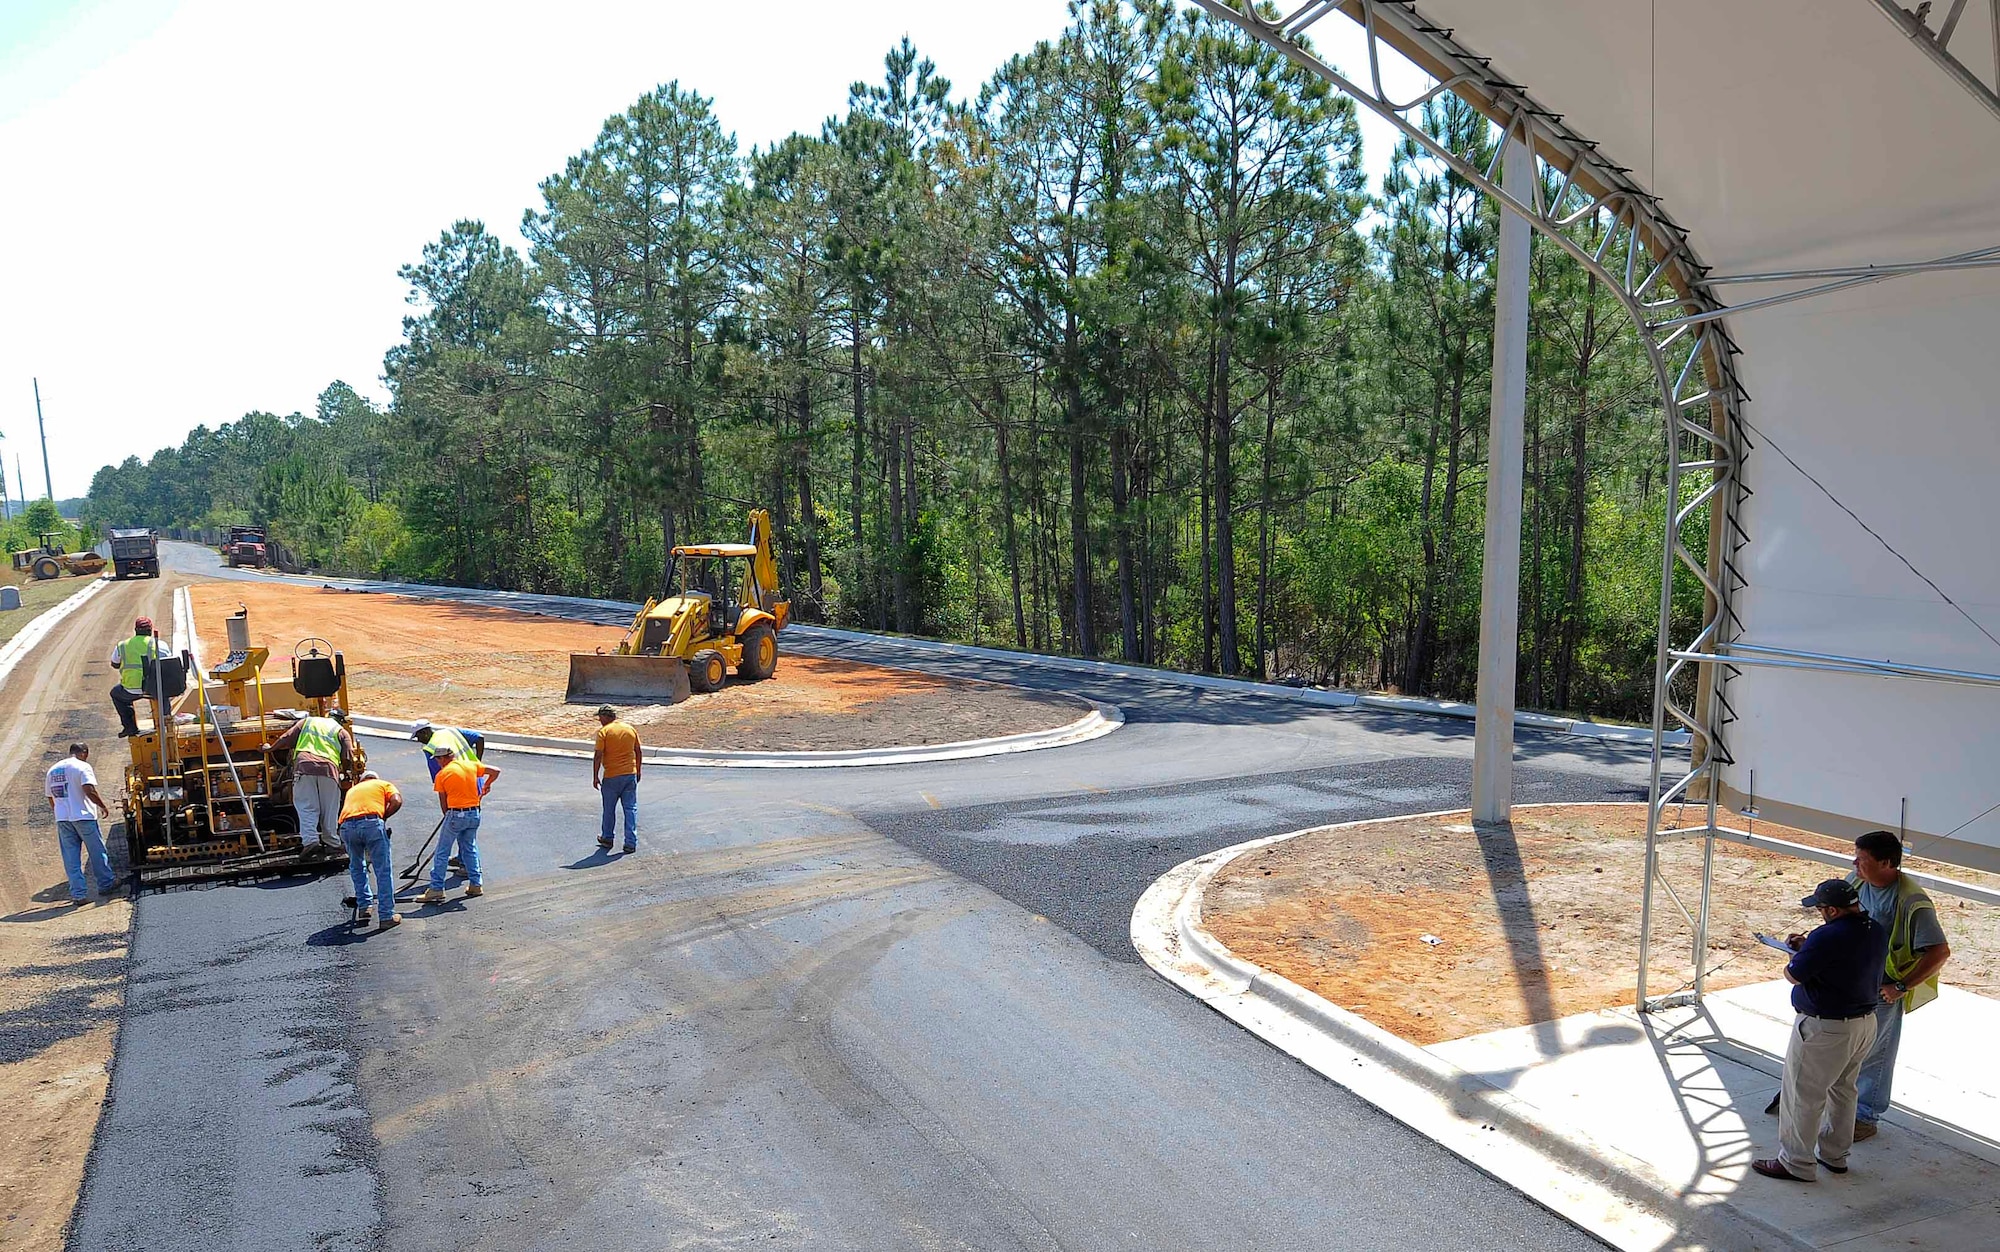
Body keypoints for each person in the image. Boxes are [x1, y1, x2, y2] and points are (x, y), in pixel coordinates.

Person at [1753, 879, 1889, 1183]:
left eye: (1820, 908)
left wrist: (1797, 952)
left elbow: (1793, 975)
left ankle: (1796, 1163)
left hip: (1824, 1029)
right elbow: (1842, 959)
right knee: (1844, 1090)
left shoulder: (1825, 936)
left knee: (1803, 1095)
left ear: (1830, 909)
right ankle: (1835, 1156)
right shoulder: (1874, 929)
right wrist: (1809, 948)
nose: (1818, 913)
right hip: (1864, 1023)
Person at [1848, 830, 1950, 1140]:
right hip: (1854, 979)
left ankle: (1865, 1116)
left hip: (1884, 987)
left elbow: (1939, 951)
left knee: (1875, 1053)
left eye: (1862, 859)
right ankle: (1846, 1108)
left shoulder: (1912, 901)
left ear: (1887, 863)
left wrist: (1901, 987)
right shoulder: (1857, 882)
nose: (1855, 863)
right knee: (1850, 1048)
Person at [272, 709, 358, 857]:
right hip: (329, 771)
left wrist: (269, 748)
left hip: (304, 767)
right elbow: (348, 756)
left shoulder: (307, 722)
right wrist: (346, 772)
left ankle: (311, 841)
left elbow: (286, 738)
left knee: (306, 807)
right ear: (340, 720)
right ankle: (332, 842)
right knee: (330, 809)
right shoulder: (341, 731)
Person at [421, 744, 499, 906]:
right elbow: (495, 771)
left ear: (444, 758)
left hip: (456, 814)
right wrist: (487, 784)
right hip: (474, 813)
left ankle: (436, 888)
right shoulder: (471, 765)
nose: (437, 762)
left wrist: (448, 817)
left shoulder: (442, 775)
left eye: (438, 759)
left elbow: (443, 802)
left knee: (442, 851)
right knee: (469, 847)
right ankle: (476, 884)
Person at [45, 742, 117, 904]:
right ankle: (106, 884)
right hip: (83, 817)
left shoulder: (53, 770)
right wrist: (102, 806)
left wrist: (59, 812)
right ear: (84, 752)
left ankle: (78, 894)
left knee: (71, 857)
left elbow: (51, 797)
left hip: (63, 819)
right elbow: (88, 789)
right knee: (97, 851)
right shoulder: (82, 767)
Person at [337, 769, 403, 928]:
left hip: (346, 827)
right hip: (371, 823)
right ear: (375, 779)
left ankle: (365, 907)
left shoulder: (353, 790)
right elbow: (397, 801)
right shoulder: (383, 784)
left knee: (357, 866)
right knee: (382, 869)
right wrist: (383, 817)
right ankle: (386, 916)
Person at [592, 705, 641, 853]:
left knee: (609, 809)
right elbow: (638, 751)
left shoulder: (604, 732)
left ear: (606, 717)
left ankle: (607, 837)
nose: (599, 720)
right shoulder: (630, 729)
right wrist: (638, 770)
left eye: (600, 717)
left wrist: (595, 776)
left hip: (611, 776)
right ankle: (630, 842)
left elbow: (598, 755)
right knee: (630, 808)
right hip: (629, 775)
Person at [108, 617, 168, 738]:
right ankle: (166, 722)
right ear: (150, 630)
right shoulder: (158, 644)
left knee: (116, 694)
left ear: (135, 630)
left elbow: (115, 664)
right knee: (164, 694)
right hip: (154, 688)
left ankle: (130, 727)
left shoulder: (122, 645)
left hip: (131, 689)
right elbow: (169, 664)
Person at [411, 722, 486, 780]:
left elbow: (438, 777)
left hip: (458, 782)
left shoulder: (430, 749)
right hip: (475, 775)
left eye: (418, 736)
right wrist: (477, 762)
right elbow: (479, 737)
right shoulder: (451, 731)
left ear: (424, 733)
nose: (418, 740)